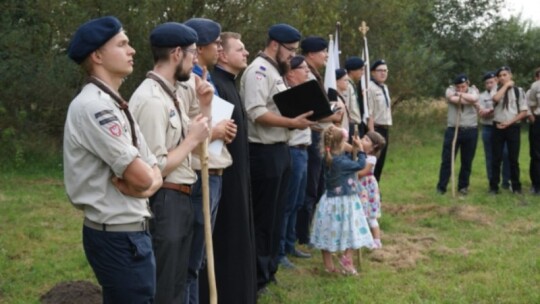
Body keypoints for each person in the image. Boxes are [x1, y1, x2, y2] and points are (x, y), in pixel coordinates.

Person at [64, 16, 163, 303]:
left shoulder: (116, 104)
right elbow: (146, 175)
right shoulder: (94, 107)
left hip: (130, 234)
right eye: (122, 44)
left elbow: (152, 168)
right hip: (118, 238)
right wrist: (147, 181)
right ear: (97, 56)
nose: (132, 50)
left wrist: (146, 183)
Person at [129, 22, 212, 303]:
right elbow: (155, 169)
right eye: (192, 53)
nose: (196, 60)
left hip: (180, 198)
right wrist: (190, 141)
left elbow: (197, 134)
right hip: (165, 200)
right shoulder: (152, 100)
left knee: (177, 282)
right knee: (165, 286)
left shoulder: (169, 93)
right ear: (177, 53)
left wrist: (204, 106)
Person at [240, 23, 314, 294]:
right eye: (290, 50)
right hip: (263, 151)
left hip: (281, 148)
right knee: (263, 218)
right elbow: (256, 112)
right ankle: (257, 280)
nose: (291, 55)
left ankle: (269, 270)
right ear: (275, 45)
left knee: (276, 215)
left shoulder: (276, 71)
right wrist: (292, 122)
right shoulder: (259, 71)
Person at [200, 32, 257, 304]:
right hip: (222, 175)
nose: (246, 53)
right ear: (222, 54)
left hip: (237, 173)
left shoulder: (231, 84)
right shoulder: (216, 85)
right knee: (226, 236)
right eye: (241, 48)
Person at [183, 18, 237, 304]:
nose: (219, 48)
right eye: (216, 43)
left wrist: (223, 130)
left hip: (214, 168)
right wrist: (214, 131)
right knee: (192, 258)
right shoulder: (190, 80)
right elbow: (186, 129)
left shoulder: (208, 77)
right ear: (201, 47)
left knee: (200, 256)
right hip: (196, 172)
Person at [296, 36, 343, 248]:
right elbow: (311, 111)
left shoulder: (314, 75)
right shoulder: (306, 76)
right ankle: (302, 235)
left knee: (315, 185)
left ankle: (306, 231)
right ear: (311, 54)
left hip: (313, 135)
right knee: (310, 188)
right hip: (309, 135)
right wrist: (331, 117)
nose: (326, 56)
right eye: (323, 52)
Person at [310, 125, 374, 275]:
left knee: (328, 230)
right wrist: (361, 150)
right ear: (341, 144)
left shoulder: (329, 157)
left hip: (329, 201)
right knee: (350, 230)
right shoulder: (341, 162)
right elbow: (360, 165)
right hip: (345, 202)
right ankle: (346, 260)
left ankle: (329, 266)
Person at [278, 55, 313, 270]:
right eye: (304, 68)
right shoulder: (286, 94)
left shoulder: (304, 93)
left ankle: (290, 244)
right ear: (291, 72)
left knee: (298, 201)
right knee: (287, 205)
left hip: (304, 149)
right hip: (292, 150)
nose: (307, 72)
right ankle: (280, 251)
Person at [436, 74, 479, 195]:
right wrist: (467, 98)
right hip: (453, 130)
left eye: (463, 86)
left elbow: (475, 99)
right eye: (458, 87)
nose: (460, 89)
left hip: (470, 130)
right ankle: (441, 187)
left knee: (467, 160)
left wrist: (461, 96)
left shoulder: (474, 91)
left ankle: (463, 186)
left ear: (468, 84)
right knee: (447, 160)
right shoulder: (450, 90)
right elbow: (453, 99)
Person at [489, 66, 528, 194]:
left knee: (513, 158)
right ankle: (494, 187)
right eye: (500, 76)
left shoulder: (519, 91)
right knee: (496, 158)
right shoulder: (495, 89)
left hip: (513, 127)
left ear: (510, 75)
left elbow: (523, 112)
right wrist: (505, 86)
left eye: (505, 75)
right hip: (498, 126)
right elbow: (495, 99)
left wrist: (510, 122)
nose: (502, 77)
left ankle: (516, 187)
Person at [478, 71, 511, 190]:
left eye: (492, 82)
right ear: (485, 85)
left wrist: (491, 111)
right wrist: (491, 112)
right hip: (488, 128)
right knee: (490, 156)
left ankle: (506, 181)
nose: (490, 84)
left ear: (497, 81)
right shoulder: (482, 96)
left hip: (502, 127)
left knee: (506, 154)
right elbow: (482, 114)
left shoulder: (504, 92)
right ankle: (492, 182)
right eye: (487, 83)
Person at [356, 131, 386, 249]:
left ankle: (376, 240)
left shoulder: (371, 159)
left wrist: (349, 171)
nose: (363, 140)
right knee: (360, 214)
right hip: (359, 188)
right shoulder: (358, 154)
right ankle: (362, 239)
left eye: (367, 140)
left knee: (370, 217)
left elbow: (363, 173)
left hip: (367, 189)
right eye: (363, 138)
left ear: (374, 147)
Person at [367, 59, 392, 181]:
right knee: (373, 161)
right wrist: (372, 135)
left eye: (385, 70)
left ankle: (376, 188)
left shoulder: (384, 88)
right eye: (380, 70)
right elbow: (369, 113)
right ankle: (371, 190)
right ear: (373, 72)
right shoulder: (370, 88)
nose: (383, 73)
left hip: (385, 128)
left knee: (381, 161)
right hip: (376, 129)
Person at [344, 57, 368, 137]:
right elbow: (346, 107)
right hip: (351, 126)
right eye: (361, 69)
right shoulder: (346, 85)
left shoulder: (352, 85)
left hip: (356, 125)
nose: (363, 73)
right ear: (351, 70)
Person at [526, 67, 540, 195]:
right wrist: (534, 117)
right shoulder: (535, 86)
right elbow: (531, 103)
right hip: (538, 121)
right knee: (536, 154)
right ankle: (536, 185)